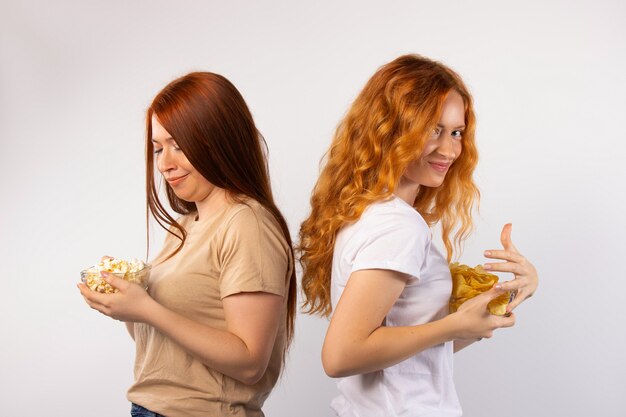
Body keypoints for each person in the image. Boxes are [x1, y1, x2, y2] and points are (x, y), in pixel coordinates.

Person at [298, 54, 538, 417]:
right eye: (433, 130)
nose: (450, 150)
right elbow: (341, 355)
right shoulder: (398, 226)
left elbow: (404, 353)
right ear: (391, 130)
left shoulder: (367, 213)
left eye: (456, 132)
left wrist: (490, 308)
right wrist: (453, 324)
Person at [78, 72, 296, 417]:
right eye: (158, 148)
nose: (164, 164)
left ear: (219, 139)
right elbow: (167, 351)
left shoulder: (246, 223)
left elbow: (250, 361)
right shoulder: (184, 226)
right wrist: (126, 301)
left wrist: (147, 309)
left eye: (179, 145)